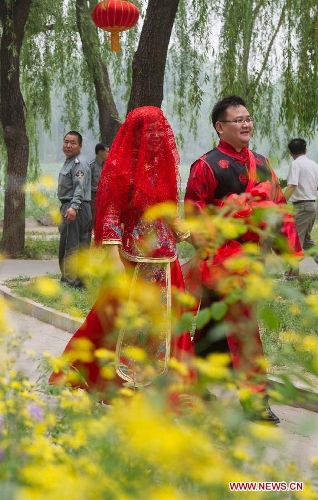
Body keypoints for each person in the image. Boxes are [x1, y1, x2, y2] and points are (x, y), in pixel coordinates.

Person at [49, 106, 195, 403]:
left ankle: (169, 388)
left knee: (168, 322)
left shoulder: (163, 168)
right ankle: (112, 382)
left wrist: (178, 226)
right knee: (117, 320)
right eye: (148, 131)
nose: (155, 137)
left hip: (165, 260)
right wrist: (113, 256)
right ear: (137, 134)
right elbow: (111, 215)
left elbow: (164, 207)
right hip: (131, 259)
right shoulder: (122, 168)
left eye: (159, 131)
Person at [184, 95, 303, 424]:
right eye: (238, 120)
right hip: (221, 262)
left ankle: (195, 384)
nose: (246, 124)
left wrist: (289, 251)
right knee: (244, 328)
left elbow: (279, 206)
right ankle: (255, 402)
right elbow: (193, 218)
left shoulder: (262, 162)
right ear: (220, 127)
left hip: (252, 260)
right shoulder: (205, 166)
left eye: (248, 118)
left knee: (211, 325)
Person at [58, 131, 92, 289]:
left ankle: (70, 283)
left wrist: (73, 207)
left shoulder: (78, 163)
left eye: (73, 143)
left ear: (80, 146)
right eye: (66, 142)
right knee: (81, 245)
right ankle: (80, 281)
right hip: (79, 206)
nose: (68, 145)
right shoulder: (70, 161)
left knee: (70, 245)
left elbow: (79, 188)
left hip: (75, 207)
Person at [285, 138, 318, 264]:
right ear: (305, 150)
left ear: (290, 152)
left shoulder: (296, 164)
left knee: (294, 241)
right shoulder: (314, 164)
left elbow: (292, 186)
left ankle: (291, 274)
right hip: (312, 206)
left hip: (302, 206)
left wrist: (281, 201)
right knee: (306, 241)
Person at [89, 143, 109, 230]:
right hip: (93, 197)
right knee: (93, 221)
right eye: (107, 152)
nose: (109, 154)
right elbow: (87, 184)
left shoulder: (107, 166)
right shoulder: (91, 166)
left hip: (104, 197)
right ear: (100, 152)